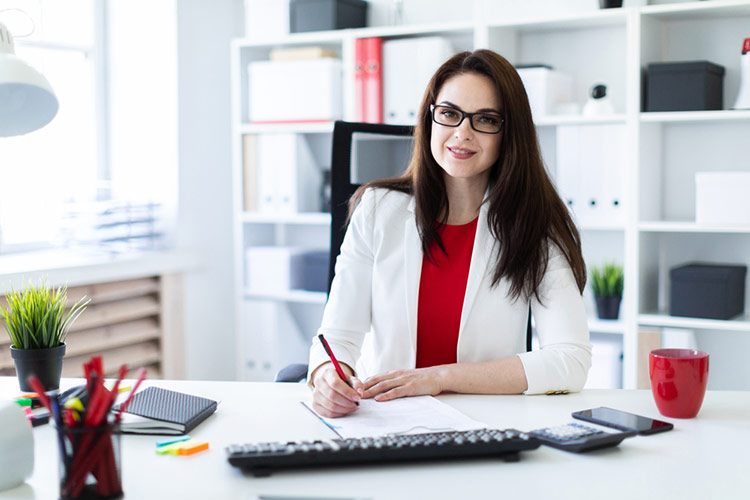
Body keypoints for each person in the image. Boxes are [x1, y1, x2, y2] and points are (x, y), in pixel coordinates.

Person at [308, 49, 591, 418]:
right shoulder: (377, 210)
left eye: (485, 119)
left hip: (484, 426)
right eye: (450, 114)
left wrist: (440, 377)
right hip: (385, 420)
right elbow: (337, 338)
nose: (462, 133)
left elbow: (571, 360)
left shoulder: (534, 225)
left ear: (510, 133)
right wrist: (328, 375)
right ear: (431, 118)